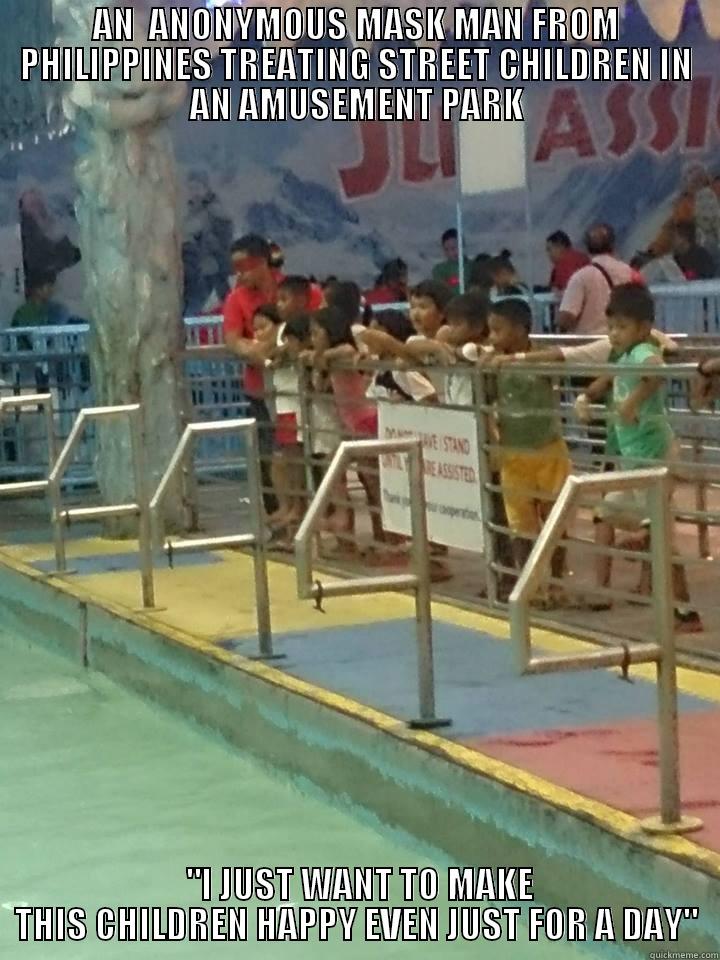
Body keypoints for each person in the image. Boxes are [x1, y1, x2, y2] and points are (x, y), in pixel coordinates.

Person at [591, 284, 702, 633]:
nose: (614, 334)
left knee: (661, 538)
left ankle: (684, 611)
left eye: (622, 327)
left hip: (654, 458)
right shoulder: (624, 356)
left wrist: (632, 401)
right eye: (611, 327)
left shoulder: (642, 350)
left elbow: (655, 373)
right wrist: (590, 395)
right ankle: (643, 535)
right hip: (636, 460)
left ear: (643, 328)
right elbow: (612, 377)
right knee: (607, 510)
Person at [488, 297, 571, 607]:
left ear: (521, 330)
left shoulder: (541, 357)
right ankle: (529, 585)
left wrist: (516, 360)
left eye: (498, 330)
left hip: (549, 450)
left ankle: (557, 582)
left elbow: (558, 363)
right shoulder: (493, 362)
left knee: (555, 519)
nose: (492, 338)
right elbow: (487, 397)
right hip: (513, 454)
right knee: (519, 525)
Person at [222, 234, 280, 515]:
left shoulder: (292, 290)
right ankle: (276, 516)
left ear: (262, 262)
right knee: (267, 455)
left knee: (305, 453)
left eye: (244, 267)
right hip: (260, 389)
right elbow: (233, 340)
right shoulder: (236, 299)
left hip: (299, 389)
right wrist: (257, 351)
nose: (239, 274)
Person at [557, 223, 634, 334]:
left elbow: (567, 317)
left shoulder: (581, 277)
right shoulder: (630, 273)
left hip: (590, 341)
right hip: (620, 338)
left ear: (586, 246)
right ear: (613, 244)